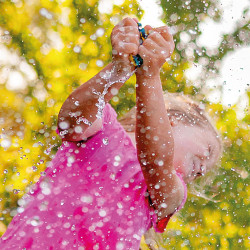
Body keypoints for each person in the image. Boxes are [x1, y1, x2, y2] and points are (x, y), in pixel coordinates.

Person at [0, 17, 222, 249]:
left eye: (201, 173)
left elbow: (155, 163)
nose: (203, 168)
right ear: (172, 119)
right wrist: (119, 69)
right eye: (207, 151)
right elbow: (70, 121)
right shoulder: (104, 126)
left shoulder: (171, 193)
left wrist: (149, 75)